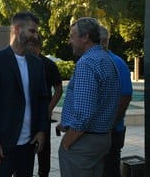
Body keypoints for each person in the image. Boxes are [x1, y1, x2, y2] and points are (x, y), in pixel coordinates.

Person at [0, 12, 49, 177]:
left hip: (29, 144)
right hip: (3, 145)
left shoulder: (37, 63)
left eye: (36, 32)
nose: (35, 36)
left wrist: (41, 130)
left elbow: (42, 99)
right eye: (32, 31)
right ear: (17, 29)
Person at [57, 17, 121, 177]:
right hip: (101, 138)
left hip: (84, 143)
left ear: (85, 37)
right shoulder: (107, 59)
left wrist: (67, 142)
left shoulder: (87, 63)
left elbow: (84, 115)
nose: (69, 41)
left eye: (72, 36)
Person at [100, 26, 133, 177]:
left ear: (104, 41)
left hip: (112, 132)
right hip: (103, 131)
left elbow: (125, 98)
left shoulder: (116, 63)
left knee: (110, 171)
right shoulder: (99, 60)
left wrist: (110, 125)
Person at [28, 35, 63, 177]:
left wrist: (48, 109)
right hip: (26, 115)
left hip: (42, 114)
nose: (29, 48)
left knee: (43, 150)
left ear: (38, 47)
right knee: (25, 149)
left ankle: (43, 173)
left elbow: (59, 90)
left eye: (32, 46)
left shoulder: (48, 64)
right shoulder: (23, 63)